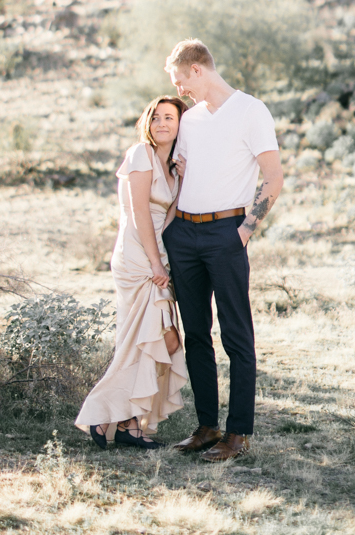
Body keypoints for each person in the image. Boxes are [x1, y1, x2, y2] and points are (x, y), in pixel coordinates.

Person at [161, 39, 284, 462]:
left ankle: (238, 434)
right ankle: (207, 426)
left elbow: (273, 179)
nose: (181, 91)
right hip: (185, 235)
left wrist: (244, 232)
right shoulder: (190, 121)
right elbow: (182, 173)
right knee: (196, 334)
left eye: (181, 82)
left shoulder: (252, 111)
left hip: (226, 234)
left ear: (197, 70)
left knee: (236, 335)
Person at [75, 95, 188, 449]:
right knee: (151, 337)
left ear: (180, 124)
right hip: (138, 255)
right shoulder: (140, 154)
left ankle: (126, 422)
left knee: (160, 339)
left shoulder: (170, 166)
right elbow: (140, 213)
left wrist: (182, 183)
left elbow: (168, 217)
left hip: (158, 252)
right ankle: (101, 412)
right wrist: (156, 263)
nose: (162, 123)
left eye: (169, 117)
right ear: (147, 123)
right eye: (155, 117)